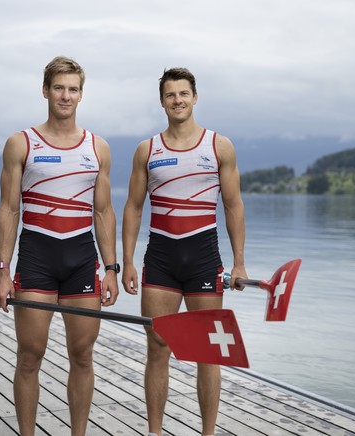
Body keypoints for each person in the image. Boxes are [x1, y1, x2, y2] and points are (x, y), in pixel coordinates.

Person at [0, 55, 120, 436]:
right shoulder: (21, 143)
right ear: (45, 91)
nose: (66, 96)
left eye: (73, 89)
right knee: (30, 356)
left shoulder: (98, 147)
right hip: (36, 258)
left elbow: (103, 212)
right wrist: (2, 271)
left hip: (82, 260)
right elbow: (9, 209)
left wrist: (111, 269)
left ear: (82, 95)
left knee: (82, 355)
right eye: (59, 88)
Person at [121, 67, 247, 436]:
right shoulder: (148, 150)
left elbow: (234, 205)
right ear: (162, 101)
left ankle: (208, 433)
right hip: (160, 259)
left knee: (208, 352)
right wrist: (126, 261)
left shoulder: (219, 146)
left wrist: (239, 263)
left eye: (184, 93)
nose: (177, 100)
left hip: (204, 257)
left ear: (195, 97)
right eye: (170, 95)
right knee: (158, 346)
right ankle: (156, 432)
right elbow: (132, 206)